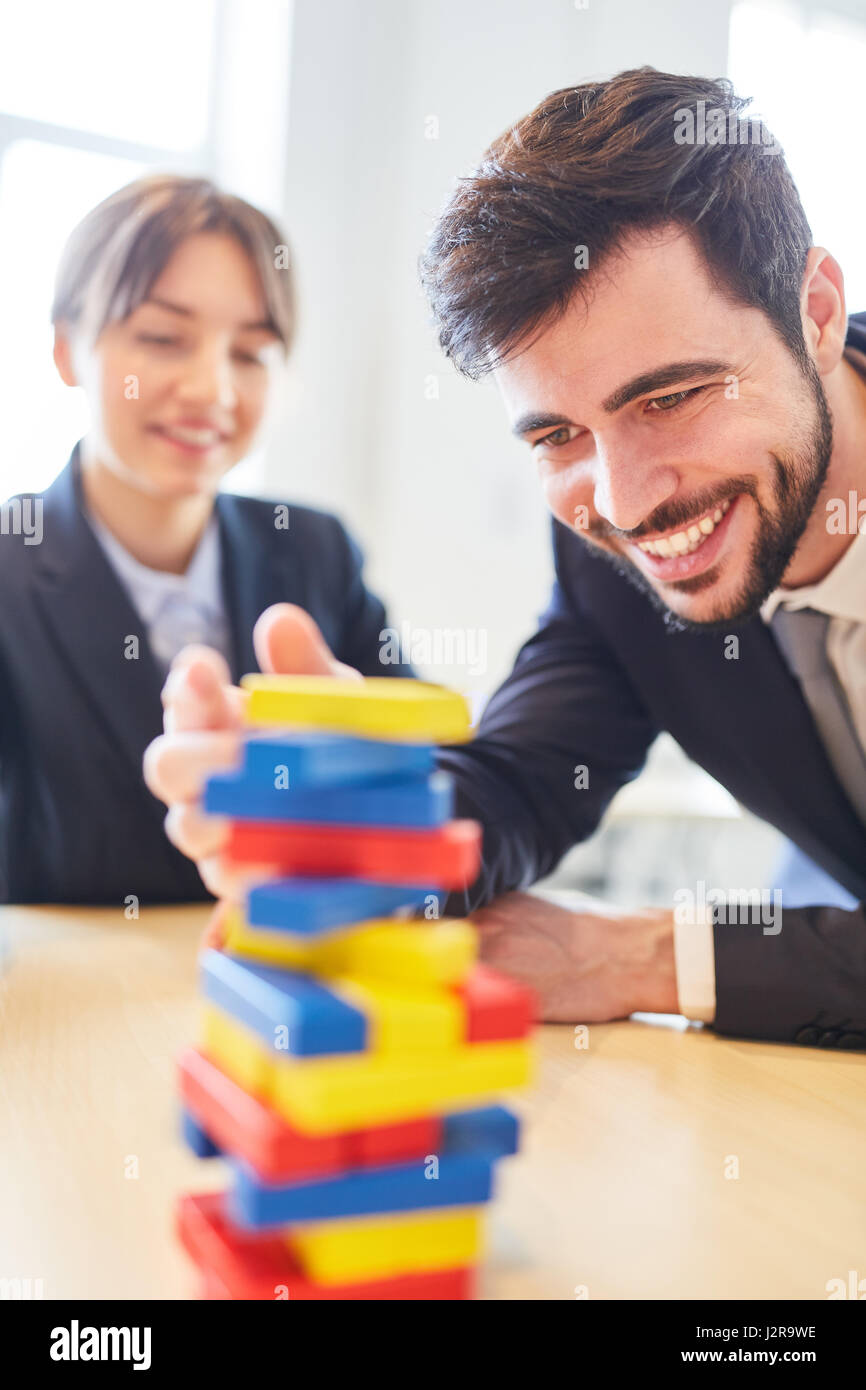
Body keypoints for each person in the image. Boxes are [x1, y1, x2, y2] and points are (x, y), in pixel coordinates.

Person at [146, 70, 866, 1049]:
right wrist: (361, 819)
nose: (622, 501)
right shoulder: (611, 550)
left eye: (670, 397)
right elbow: (525, 776)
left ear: (814, 313)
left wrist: (635, 955)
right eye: (556, 435)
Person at [0, 174, 407, 904]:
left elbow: (432, 783)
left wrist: (356, 772)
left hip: (280, 978)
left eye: (250, 354)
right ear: (67, 350)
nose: (212, 391)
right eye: (161, 338)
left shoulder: (315, 551)